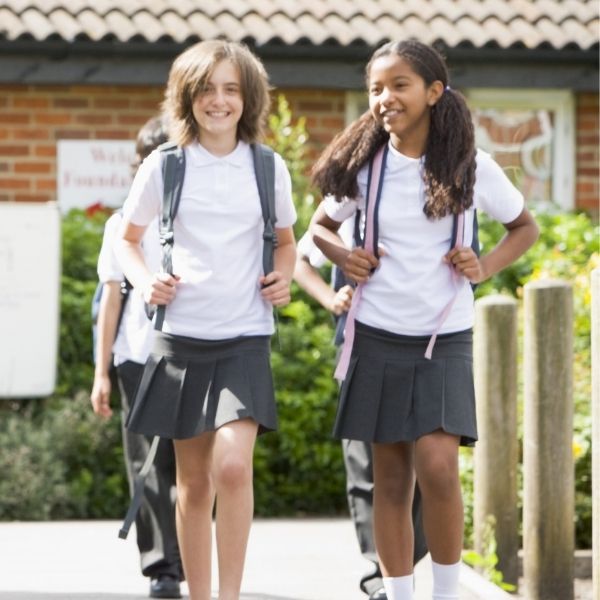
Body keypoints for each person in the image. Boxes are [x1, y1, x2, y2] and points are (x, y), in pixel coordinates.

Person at [309, 40, 539, 600]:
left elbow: (525, 228)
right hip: (378, 335)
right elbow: (318, 227)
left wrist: (482, 267)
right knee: (389, 479)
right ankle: (399, 593)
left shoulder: (471, 166)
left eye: (399, 85)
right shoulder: (364, 168)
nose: (385, 98)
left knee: (437, 468)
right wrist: (344, 257)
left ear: (435, 92)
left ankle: (444, 594)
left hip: (443, 335)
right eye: (376, 88)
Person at [115, 40, 296, 600]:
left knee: (234, 468)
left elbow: (286, 242)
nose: (218, 101)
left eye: (230, 89)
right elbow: (127, 239)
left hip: (243, 339)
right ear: (187, 97)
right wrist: (146, 281)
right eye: (206, 89)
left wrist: (283, 277)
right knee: (192, 484)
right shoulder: (163, 166)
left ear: (249, 97)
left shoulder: (268, 168)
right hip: (180, 343)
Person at [294, 225, 427, 600]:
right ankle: (378, 572)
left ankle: (404, 562)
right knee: (366, 462)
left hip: (420, 343)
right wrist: (330, 298)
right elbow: (300, 260)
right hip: (357, 346)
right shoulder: (348, 199)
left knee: (421, 464)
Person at [91, 114, 183, 599]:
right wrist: (100, 371)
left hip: (193, 354)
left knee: (190, 462)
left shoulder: (202, 218)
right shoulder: (120, 223)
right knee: (145, 464)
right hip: (136, 359)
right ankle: (162, 569)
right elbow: (111, 298)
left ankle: (187, 557)